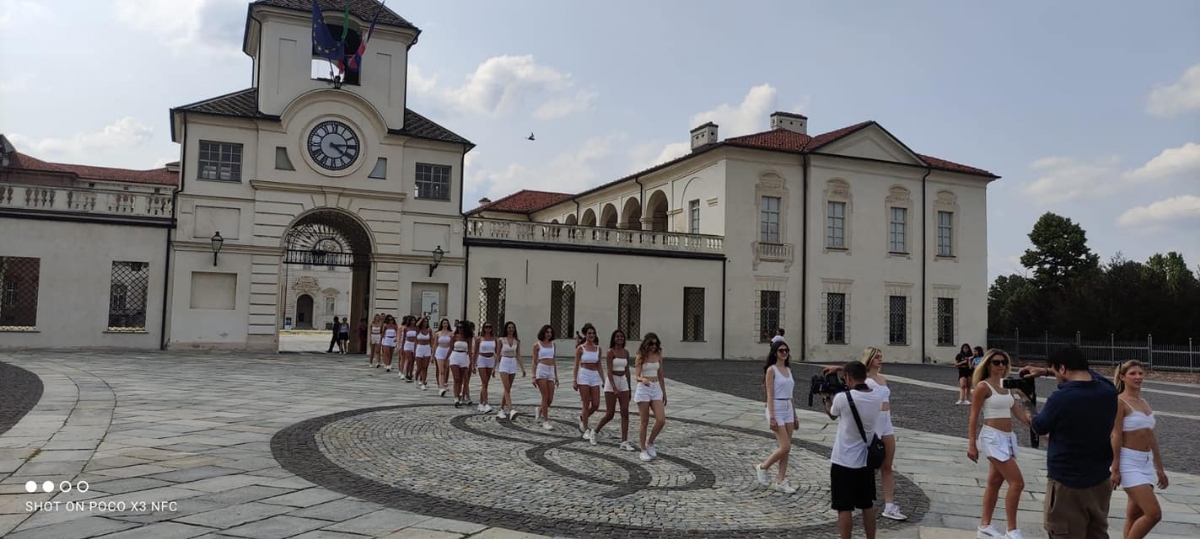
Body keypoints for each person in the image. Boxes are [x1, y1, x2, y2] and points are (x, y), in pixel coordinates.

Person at [1018, 345, 1118, 539]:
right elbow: (1090, 374)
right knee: (1097, 534)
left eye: (1055, 371)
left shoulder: (1062, 397)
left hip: (1067, 483)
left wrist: (1025, 399)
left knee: (1063, 533)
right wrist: (1047, 370)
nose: (1055, 375)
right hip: (1099, 480)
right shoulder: (1107, 389)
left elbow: (1039, 426)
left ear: (1063, 369)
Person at [967, 349, 1033, 539]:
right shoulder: (983, 386)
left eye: (1004, 362)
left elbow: (1018, 412)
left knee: (995, 482)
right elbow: (973, 416)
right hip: (992, 437)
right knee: (1017, 483)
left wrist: (1035, 423)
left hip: (1007, 437)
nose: (1001, 365)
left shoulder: (1007, 385)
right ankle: (1012, 530)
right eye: (996, 362)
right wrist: (971, 443)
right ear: (988, 364)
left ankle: (984, 526)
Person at [820, 361, 883, 539]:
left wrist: (825, 397)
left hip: (844, 461)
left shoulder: (842, 398)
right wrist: (842, 369)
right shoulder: (876, 395)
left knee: (844, 507)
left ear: (848, 377)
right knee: (867, 504)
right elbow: (867, 377)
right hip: (866, 461)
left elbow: (832, 414)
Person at [1111, 360, 1167, 539]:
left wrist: (1160, 469)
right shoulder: (1120, 402)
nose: (1138, 377)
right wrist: (1116, 467)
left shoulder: (1144, 402)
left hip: (1146, 462)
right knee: (1153, 514)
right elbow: (1116, 435)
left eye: (1140, 373)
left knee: (1134, 515)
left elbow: (1151, 438)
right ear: (1122, 377)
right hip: (1128, 462)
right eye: (1133, 374)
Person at [754, 340, 798, 493]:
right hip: (776, 408)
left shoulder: (788, 369)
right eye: (781, 350)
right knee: (785, 446)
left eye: (786, 350)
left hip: (788, 408)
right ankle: (763, 467)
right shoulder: (771, 370)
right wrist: (772, 416)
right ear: (775, 353)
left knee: (786, 449)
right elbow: (769, 394)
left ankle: (781, 480)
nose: (784, 353)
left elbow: (791, 395)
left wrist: (795, 414)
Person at [593, 329, 635, 451]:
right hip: (612, 382)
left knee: (625, 412)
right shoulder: (611, 352)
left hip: (623, 381)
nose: (619, 338)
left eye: (621, 336)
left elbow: (627, 370)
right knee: (610, 413)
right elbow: (609, 371)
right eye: (617, 336)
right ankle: (595, 431)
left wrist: (629, 387)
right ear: (613, 338)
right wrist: (614, 387)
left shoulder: (626, 352)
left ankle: (624, 441)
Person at [633, 332, 667, 462]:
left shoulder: (658, 354)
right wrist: (643, 379)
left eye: (656, 343)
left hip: (656, 387)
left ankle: (650, 441)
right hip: (644, 388)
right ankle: (642, 449)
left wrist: (663, 391)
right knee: (644, 421)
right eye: (651, 344)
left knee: (661, 419)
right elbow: (636, 375)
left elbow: (661, 373)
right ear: (646, 344)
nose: (654, 346)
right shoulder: (640, 355)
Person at [574, 323, 605, 444]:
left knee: (596, 404)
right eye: (589, 333)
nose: (591, 335)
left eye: (593, 333)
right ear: (585, 335)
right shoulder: (580, 348)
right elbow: (576, 365)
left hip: (594, 375)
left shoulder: (598, 348)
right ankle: (586, 429)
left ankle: (582, 417)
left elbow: (599, 365)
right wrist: (574, 380)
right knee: (586, 402)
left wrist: (603, 380)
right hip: (584, 374)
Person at [496, 321, 526, 419]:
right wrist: (493, 368)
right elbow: (498, 354)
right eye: (509, 327)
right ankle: (511, 410)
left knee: (508, 389)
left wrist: (522, 368)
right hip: (504, 362)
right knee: (507, 387)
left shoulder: (517, 341)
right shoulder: (501, 340)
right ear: (506, 329)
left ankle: (501, 409)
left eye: (512, 327)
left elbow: (518, 354)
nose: (511, 329)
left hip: (512, 363)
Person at [533, 324, 559, 430]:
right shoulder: (537, 345)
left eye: (550, 332)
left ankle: (540, 410)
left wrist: (556, 376)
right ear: (543, 332)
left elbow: (554, 360)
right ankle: (546, 421)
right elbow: (534, 362)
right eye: (547, 332)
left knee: (550, 398)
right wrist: (533, 376)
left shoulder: (553, 344)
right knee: (545, 396)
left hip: (550, 370)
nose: (549, 334)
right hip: (541, 369)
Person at [474, 322, 498, 413]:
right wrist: (473, 364)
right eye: (486, 327)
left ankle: (480, 403)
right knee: (484, 382)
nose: (488, 328)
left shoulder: (494, 339)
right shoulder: (479, 339)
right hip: (482, 360)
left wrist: (495, 367)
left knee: (486, 383)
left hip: (490, 360)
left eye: (490, 327)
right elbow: (475, 352)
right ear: (483, 328)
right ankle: (486, 403)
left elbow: (497, 353)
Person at [449, 321, 475, 407]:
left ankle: (461, 396)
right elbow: (450, 348)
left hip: (464, 356)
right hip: (455, 355)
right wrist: (446, 358)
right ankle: (456, 397)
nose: (460, 329)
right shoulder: (454, 336)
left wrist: (471, 363)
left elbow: (470, 350)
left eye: (461, 327)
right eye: (458, 327)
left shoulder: (468, 337)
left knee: (463, 379)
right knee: (456, 378)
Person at [434, 318, 453, 397]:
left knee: (446, 369)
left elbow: (452, 344)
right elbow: (435, 344)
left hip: (447, 350)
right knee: (441, 370)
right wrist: (432, 355)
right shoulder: (438, 333)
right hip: (440, 351)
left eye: (446, 323)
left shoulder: (451, 333)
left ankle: (444, 383)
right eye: (443, 323)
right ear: (441, 324)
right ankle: (441, 387)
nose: (445, 324)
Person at [413, 318, 433, 390]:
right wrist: (422, 319)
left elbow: (431, 341)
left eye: (426, 322)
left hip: (427, 348)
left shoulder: (429, 330)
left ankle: (423, 382)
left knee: (425, 367)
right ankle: (416, 379)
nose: (425, 323)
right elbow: (416, 325)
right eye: (424, 322)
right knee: (419, 367)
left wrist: (432, 350)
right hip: (419, 348)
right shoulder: (418, 330)